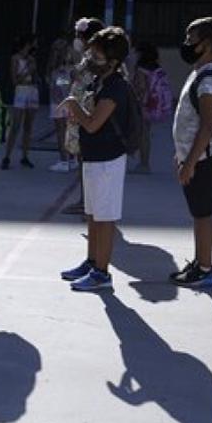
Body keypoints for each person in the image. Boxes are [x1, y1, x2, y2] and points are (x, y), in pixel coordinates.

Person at [59, 26, 132, 293]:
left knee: (105, 217)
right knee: (93, 214)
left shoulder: (115, 87)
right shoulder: (100, 81)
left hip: (108, 159)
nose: (90, 57)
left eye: (96, 54)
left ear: (112, 61)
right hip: (94, 156)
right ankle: (92, 262)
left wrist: (72, 104)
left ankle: (102, 273)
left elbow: (92, 124)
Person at [169, 17, 212, 289]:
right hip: (194, 157)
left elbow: (206, 128)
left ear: (205, 44)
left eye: (190, 39)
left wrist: (190, 163)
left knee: (203, 213)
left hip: (203, 159)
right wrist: (182, 155)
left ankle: (206, 268)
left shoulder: (209, 81)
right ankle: (199, 261)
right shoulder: (200, 73)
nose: (186, 45)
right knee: (198, 212)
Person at [61, 17, 107, 215]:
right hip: (81, 113)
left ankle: (87, 201)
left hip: (88, 114)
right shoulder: (89, 56)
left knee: (87, 159)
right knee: (84, 158)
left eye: (79, 35)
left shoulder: (97, 58)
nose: (76, 39)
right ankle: (87, 199)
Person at [131, 42, 170, 174]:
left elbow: (141, 89)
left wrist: (138, 104)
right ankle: (144, 162)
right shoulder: (156, 68)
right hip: (153, 106)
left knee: (143, 134)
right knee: (145, 134)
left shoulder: (141, 69)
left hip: (144, 106)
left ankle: (144, 164)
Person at [1, 33, 39, 170]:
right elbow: (15, 80)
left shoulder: (32, 59)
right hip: (21, 90)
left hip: (32, 90)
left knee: (28, 126)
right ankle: (7, 156)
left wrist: (33, 70)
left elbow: (35, 77)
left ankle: (25, 156)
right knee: (16, 125)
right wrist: (27, 69)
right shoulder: (15, 58)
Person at [47, 37, 75, 172]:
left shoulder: (60, 70)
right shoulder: (70, 68)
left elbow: (59, 86)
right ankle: (71, 158)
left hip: (60, 102)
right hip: (68, 101)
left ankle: (64, 160)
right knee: (69, 131)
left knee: (61, 131)